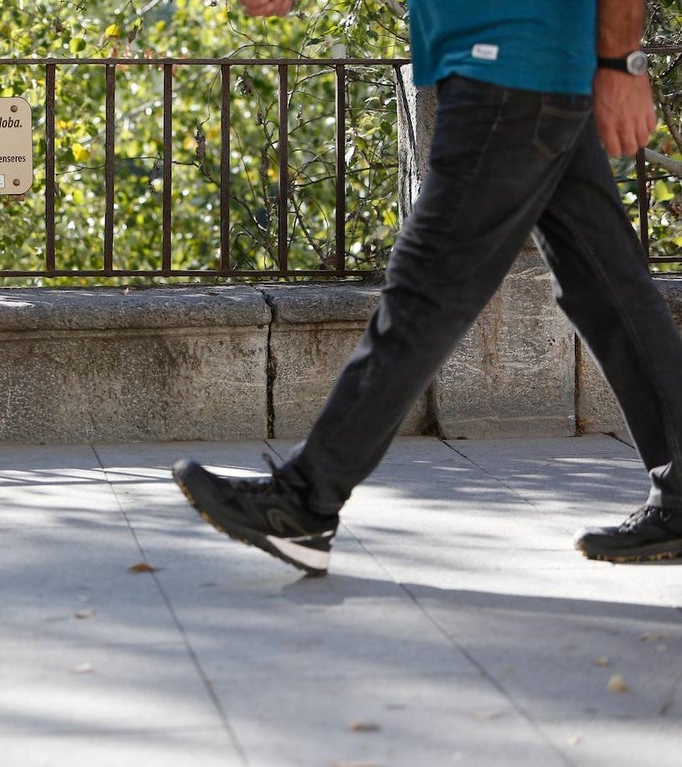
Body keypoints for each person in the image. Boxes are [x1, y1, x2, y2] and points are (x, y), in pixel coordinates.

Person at [173, 0, 682, 575]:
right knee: (610, 292)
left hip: (509, 67)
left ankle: (304, 500)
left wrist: (623, 63)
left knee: (428, 292)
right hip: (526, 71)